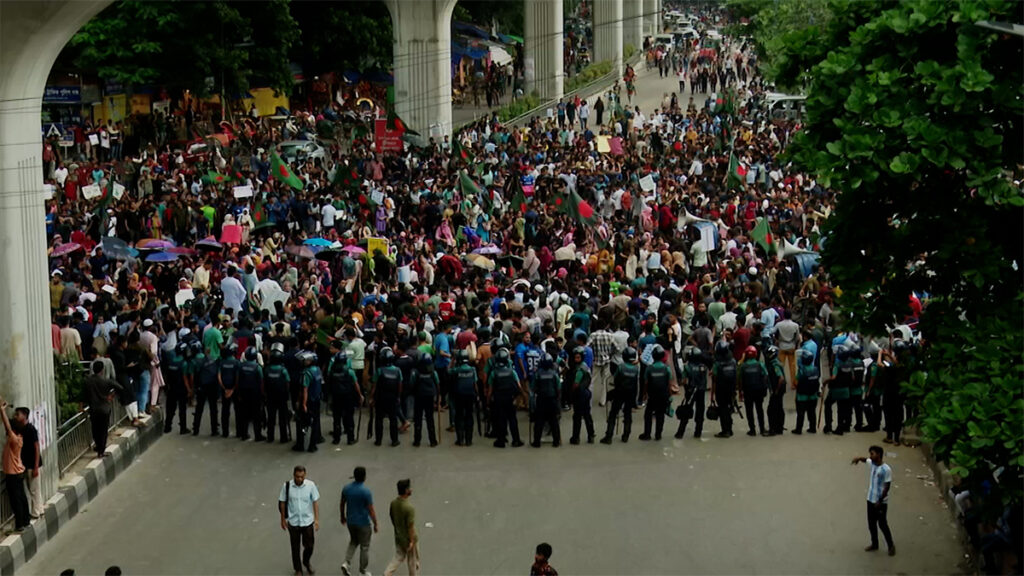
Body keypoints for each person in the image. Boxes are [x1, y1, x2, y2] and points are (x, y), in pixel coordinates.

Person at [852, 446, 896, 556]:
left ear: (879, 455)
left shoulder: (886, 469)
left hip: (880, 502)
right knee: (871, 524)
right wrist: (858, 459)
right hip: (870, 499)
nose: (870, 456)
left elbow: (887, 487)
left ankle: (891, 545)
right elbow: (864, 459)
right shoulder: (871, 463)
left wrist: (880, 501)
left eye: (872, 454)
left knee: (882, 524)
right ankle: (874, 544)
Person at [279, 465, 320, 576]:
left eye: (301, 477)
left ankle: (306, 562)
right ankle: (298, 569)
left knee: (309, 546)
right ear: (294, 475)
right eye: (297, 477)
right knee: (295, 547)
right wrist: (282, 519)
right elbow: (282, 502)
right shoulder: (287, 486)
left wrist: (316, 519)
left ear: (305, 475)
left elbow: (315, 502)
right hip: (293, 522)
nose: (299, 479)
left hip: (307, 521)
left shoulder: (311, 485)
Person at [341, 466, 378, 576]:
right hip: (363, 523)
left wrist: (342, 516)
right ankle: (363, 570)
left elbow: (342, 503)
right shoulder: (366, 492)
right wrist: (376, 523)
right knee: (364, 547)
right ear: (364, 477)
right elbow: (371, 510)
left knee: (353, 541)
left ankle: (346, 562)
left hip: (351, 521)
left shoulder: (346, 488)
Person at [0, 397, 30, 531]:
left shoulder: (15, 439)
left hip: (13, 474)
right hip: (17, 472)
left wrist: (2, 410)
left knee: (16, 500)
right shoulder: (18, 438)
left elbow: (7, 425)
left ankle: (20, 524)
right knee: (21, 498)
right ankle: (25, 520)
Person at [486, 347, 527, 448]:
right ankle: (516, 440)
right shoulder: (512, 372)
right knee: (512, 419)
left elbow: (490, 390)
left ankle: (501, 441)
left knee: (501, 419)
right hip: (510, 399)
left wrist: (488, 401)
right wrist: (523, 396)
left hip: (499, 399)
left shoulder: (493, 373)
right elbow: (519, 386)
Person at [81, 360, 122, 457]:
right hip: (104, 409)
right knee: (103, 430)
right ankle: (101, 451)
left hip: (94, 409)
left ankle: (98, 445)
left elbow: (83, 395)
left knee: (95, 429)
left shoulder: (88, 381)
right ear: (102, 370)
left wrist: (81, 406)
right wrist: (111, 396)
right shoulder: (106, 381)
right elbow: (120, 387)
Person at [601, 347, 638, 444]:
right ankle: (626, 435)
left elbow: (616, 380)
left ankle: (608, 436)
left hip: (619, 393)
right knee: (627, 414)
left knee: (613, 413)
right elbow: (635, 384)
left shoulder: (621, 367)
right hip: (630, 394)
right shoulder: (636, 369)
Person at [384, 479, 418, 576]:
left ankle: (387, 573)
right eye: (409, 488)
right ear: (406, 490)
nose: (411, 489)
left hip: (399, 536)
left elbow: (392, 517)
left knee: (398, 557)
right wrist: (412, 541)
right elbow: (410, 527)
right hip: (408, 538)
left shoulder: (393, 503)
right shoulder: (409, 508)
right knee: (412, 561)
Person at [328, 347, 361, 445]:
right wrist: (360, 395)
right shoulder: (349, 371)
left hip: (336, 396)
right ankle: (350, 439)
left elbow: (329, 383)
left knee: (336, 418)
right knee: (349, 417)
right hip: (347, 396)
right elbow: (356, 385)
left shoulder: (332, 371)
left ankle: (336, 439)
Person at [639, 345, 671, 441]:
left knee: (648, 414)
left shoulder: (649, 368)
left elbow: (646, 383)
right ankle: (658, 435)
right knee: (660, 414)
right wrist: (669, 395)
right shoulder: (666, 368)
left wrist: (644, 394)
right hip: (663, 395)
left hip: (652, 395)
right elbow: (668, 383)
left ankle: (647, 434)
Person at [675, 348, 709, 439]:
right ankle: (698, 432)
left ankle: (680, 433)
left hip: (690, 391)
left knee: (686, 410)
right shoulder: (703, 367)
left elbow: (684, 381)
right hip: (701, 391)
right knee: (700, 411)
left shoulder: (687, 367)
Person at [372, 347, 403, 447]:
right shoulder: (398, 370)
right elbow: (400, 385)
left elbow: (374, 385)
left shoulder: (379, 370)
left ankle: (378, 440)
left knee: (379, 419)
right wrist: (398, 396)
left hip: (381, 397)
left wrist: (372, 397)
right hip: (393, 397)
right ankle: (394, 440)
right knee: (393, 419)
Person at [531, 353, 562, 447]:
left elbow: (533, 388)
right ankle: (556, 441)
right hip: (552, 399)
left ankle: (537, 442)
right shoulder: (554, 374)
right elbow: (558, 388)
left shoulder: (538, 374)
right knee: (554, 421)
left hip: (541, 400)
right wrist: (557, 399)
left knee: (539, 421)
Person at [738, 345, 769, 436]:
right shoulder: (760, 364)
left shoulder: (743, 366)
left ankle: (752, 430)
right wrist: (765, 387)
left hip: (748, 391)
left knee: (749, 410)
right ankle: (762, 429)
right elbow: (766, 376)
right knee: (759, 409)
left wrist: (740, 392)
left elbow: (740, 380)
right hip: (759, 390)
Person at [265, 342, 293, 444]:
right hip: (281, 396)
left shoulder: (267, 369)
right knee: (282, 418)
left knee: (271, 417)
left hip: (270, 396)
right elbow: (287, 382)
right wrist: (286, 393)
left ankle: (270, 436)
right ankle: (283, 437)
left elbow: (264, 383)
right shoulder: (283, 370)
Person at [18, 407, 43, 518]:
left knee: (33, 489)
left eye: (18, 414)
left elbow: (37, 447)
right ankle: (39, 509)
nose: (16, 417)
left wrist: (36, 466)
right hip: (27, 464)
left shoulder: (31, 429)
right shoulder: (21, 429)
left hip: (33, 464)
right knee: (33, 489)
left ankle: (36, 512)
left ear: (24, 415)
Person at [411, 353, 440, 447]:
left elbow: (412, 383)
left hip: (419, 396)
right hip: (429, 397)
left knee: (418, 418)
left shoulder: (416, 372)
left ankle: (417, 441)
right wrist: (438, 397)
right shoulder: (433, 372)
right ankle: (433, 440)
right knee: (430, 418)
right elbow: (437, 384)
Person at [451, 350, 479, 446]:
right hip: (470, 395)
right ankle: (469, 440)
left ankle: (460, 440)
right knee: (469, 416)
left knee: (459, 416)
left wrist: (452, 361)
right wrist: (477, 395)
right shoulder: (473, 370)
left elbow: (448, 371)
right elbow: (475, 384)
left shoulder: (456, 370)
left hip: (459, 396)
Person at [237, 347, 265, 441]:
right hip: (255, 394)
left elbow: (238, 380)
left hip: (244, 392)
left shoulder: (241, 366)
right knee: (256, 415)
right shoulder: (258, 367)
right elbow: (261, 382)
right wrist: (262, 394)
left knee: (244, 414)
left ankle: (244, 434)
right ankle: (258, 435)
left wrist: (239, 394)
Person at [568, 347, 594, 444]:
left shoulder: (579, 369)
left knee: (577, 417)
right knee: (587, 415)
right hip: (586, 394)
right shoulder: (585, 366)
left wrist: (571, 393)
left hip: (579, 395)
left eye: (578, 358)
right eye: (575, 358)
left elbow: (575, 384)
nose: (576, 360)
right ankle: (591, 435)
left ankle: (575, 438)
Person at [712, 341, 737, 438]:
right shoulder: (733, 361)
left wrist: (712, 394)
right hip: (731, 389)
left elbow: (714, 378)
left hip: (721, 389)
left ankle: (725, 430)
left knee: (723, 409)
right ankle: (729, 429)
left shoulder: (717, 364)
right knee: (728, 407)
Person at [793, 349, 820, 434]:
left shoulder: (801, 370)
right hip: (813, 395)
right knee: (812, 412)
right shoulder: (816, 369)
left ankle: (798, 429)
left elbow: (795, 382)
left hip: (802, 396)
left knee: (800, 413)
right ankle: (812, 428)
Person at [764, 345, 787, 435]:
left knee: (771, 409)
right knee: (779, 408)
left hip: (777, 388)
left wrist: (776, 390)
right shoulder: (778, 362)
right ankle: (779, 427)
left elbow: (780, 378)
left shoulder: (774, 364)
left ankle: (772, 429)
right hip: (780, 388)